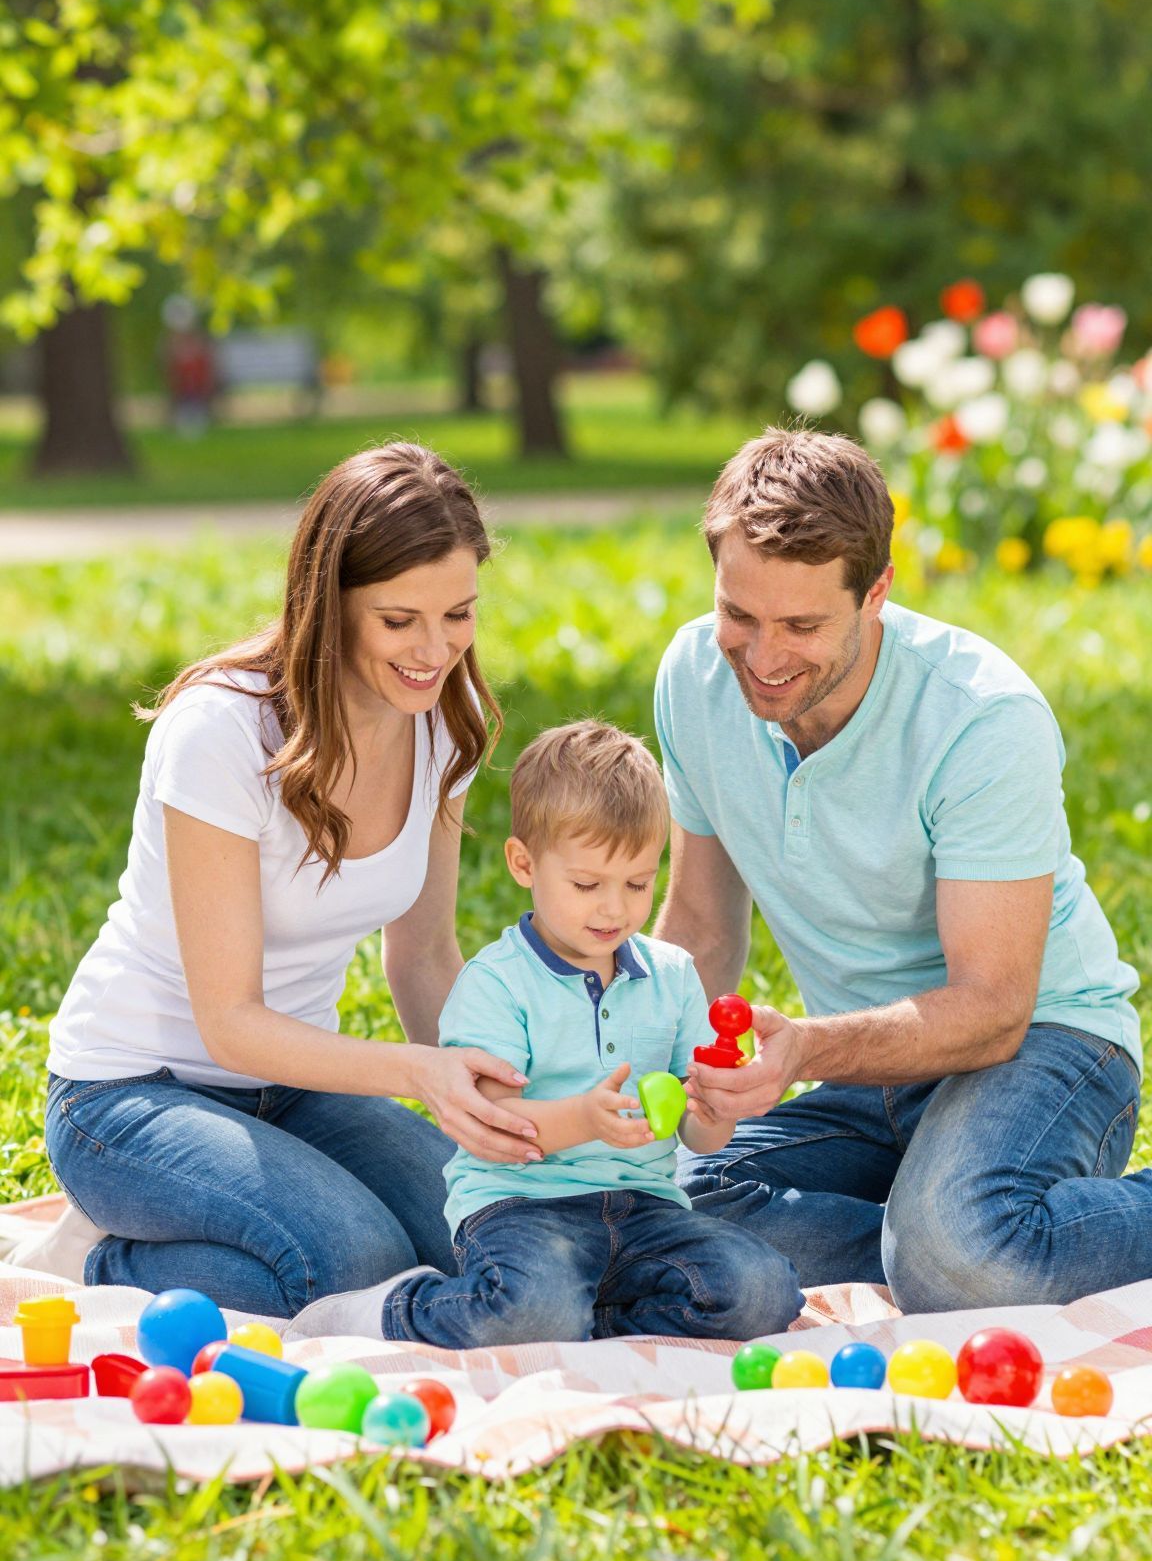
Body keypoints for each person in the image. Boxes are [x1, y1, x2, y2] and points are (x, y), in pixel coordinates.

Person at [34, 445, 543, 1315]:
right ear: (329, 605)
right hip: (131, 1095)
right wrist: (420, 1074)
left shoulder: (440, 727)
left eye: (458, 614)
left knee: (495, 1236)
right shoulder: (222, 732)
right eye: (399, 620)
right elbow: (228, 1022)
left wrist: (498, 1095)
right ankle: (99, 1261)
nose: (435, 650)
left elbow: (423, 955)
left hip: (300, 1088)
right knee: (353, 1260)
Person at [654, 425, 1148, 1314]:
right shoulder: (694, 677)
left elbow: (994, 1009)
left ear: (876, 591)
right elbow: (700, 926)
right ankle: (947, 1227)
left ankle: (953, 1237)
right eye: (740, 616)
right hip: (867, 1072)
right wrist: (620, 1068)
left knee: (961, 1258)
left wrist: (806, 1049)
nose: (762, 659)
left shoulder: (981, 719)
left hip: (1045, 1044)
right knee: (662, 1213)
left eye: (802, 626)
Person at [287, 722, 802, 1345]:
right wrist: (586, 1118)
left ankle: (578, 1320)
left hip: (647, 1209)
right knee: (532, 1306)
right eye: (587, 885)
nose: (614, 909)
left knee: (761, 1290)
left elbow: (700, 1135)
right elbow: (494, 1123)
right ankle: (392, 1311)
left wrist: (717, 1103)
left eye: (638, 883)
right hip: (523, 1208)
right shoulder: (497, 983)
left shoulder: (672, 975)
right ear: (524, 863)